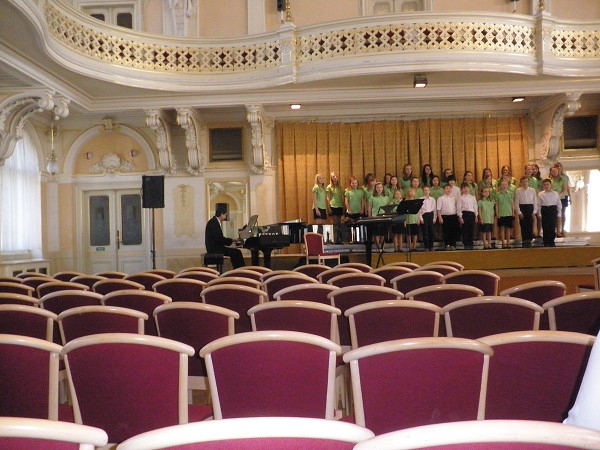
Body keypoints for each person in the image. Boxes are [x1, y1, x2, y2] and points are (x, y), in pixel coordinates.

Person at [514, 176, 537, 248]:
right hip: (522, 208)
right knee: (523, 225)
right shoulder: (518, 191)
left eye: (526, 181)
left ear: (528, 182)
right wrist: (519, 212)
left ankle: (529, 240)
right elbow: (516, 202)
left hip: (530, 208)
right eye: (523, 181)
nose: (525, 183)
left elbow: (535, 201)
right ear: (520, 183)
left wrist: (534, 211)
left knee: (530, 224)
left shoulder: (532, 190)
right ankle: (524, 240)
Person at [538, 178, 561, 247]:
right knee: (545, 226)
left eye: (547, 184)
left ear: (550, 185)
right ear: (543, 186)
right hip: (545, 210)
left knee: (552, 226)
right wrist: (539, 214)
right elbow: (538, 204)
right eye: (544, 185)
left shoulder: (555, 193)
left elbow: (559, 204)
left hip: (553, 210)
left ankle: (552, 241)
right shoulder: (540, 194)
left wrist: (559, 213)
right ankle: (546, 242)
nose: (546, 186)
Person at [437, 183, 460, 251]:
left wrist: (458, 216)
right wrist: (440, 217)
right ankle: (447, 245)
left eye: (449, 188)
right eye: (446, 188)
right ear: (443, 190)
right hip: (445, 216)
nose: (448, 190)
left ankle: (453, 245)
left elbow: (457, 207)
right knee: (446, 231)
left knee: (453, 231)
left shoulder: (454, 197)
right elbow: (438, 209)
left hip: (453, 216)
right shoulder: (440, 198)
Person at [458, 182, 478, 250]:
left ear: (469, 189)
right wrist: (460, 217)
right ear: (461, 190)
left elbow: (475, 207)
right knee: (465, 229)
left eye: (467, 188)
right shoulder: (460, 198)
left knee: (471, 229)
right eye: (464, 188)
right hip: (464, 214)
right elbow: (459, 208)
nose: (466, 189)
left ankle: (471, 243)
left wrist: (476, 216)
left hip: (472, 214)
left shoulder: (472, 197)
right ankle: (466, 244)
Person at [496, 178, 514, 249]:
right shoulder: (498, 194)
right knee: (502, 228)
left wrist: (512, 212)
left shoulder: (510, 193)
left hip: (509, 213)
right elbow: (497, 205)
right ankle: (503, 243)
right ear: (500, 186)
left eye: (505, 184)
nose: (504, 186)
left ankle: (508, 243)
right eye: (502, 185)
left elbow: (512, 203)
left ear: (507, 185)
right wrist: (497, 213)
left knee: (508, 229)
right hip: (501, 214)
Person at [326, 172, 344, 244]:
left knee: (339, 223)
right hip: (333, 206)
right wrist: (328, 207)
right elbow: (328, 198)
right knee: (334, 223)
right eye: (333, 176)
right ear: (331, 178)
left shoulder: (340, 187)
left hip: (340, 205)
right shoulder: (329, 187)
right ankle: (334, 239)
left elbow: (343, 196)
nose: (335, 178)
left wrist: (344, 206)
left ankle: (339, 239)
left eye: (336, 176)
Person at [420, 186, 436, 252]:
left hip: (430, 215)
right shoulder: (421, 199)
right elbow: (419, 210)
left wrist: (434, 218)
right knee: (425, 232)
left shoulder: (432, 199)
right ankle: (426, 247)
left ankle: (431, 246)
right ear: (423, 191)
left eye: (428, 190)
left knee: (431, 232)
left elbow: (434, 209)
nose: (426, 191)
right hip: (424, 215)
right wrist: (421, 219)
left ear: (429, 191)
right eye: (425, 190)